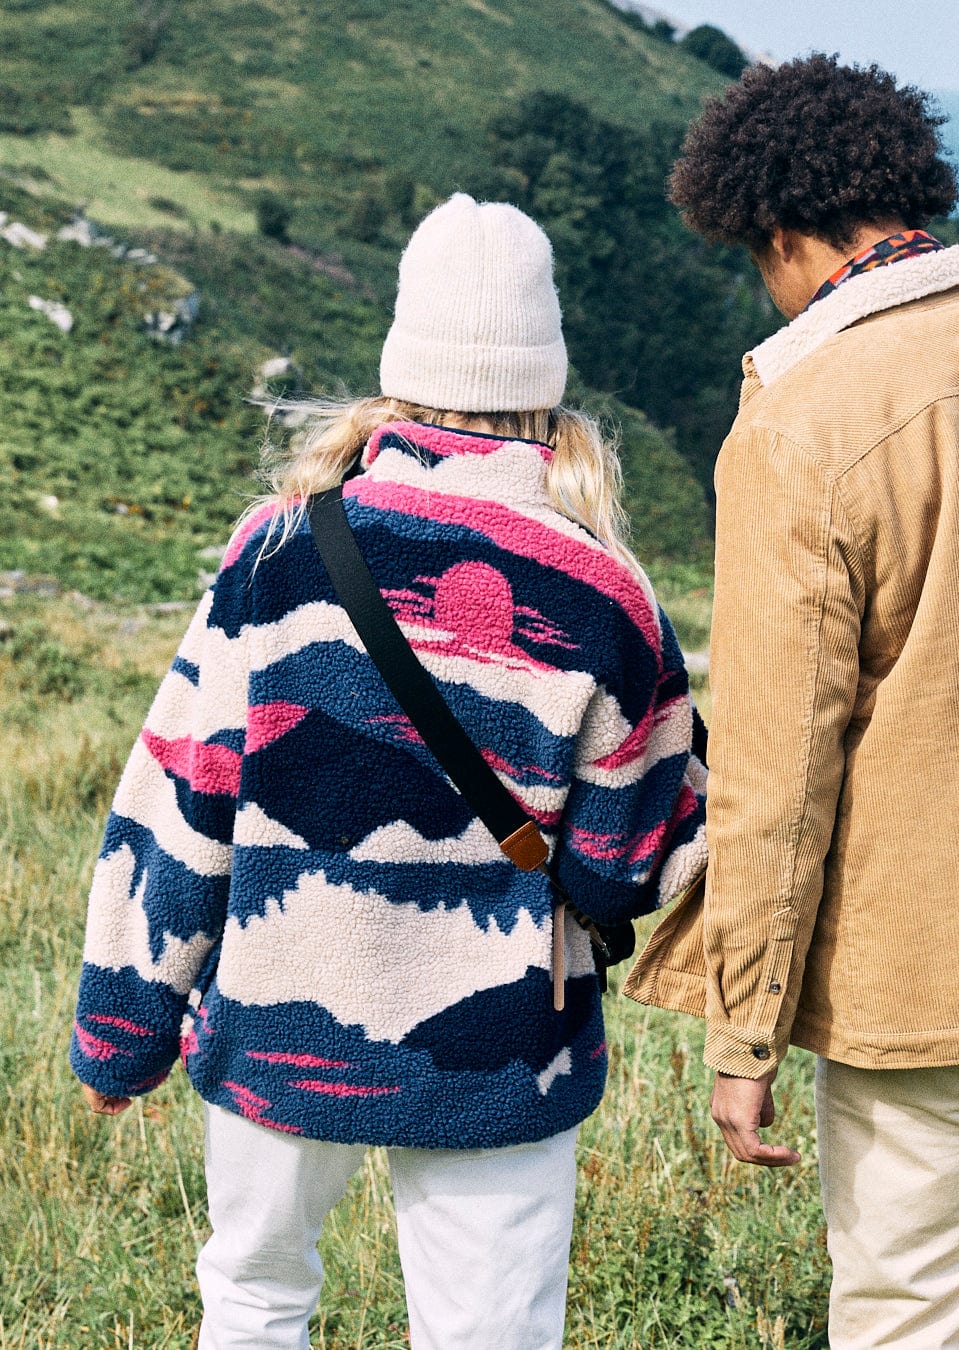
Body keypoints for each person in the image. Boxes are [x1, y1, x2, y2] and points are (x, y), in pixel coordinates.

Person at [70, 193, 707, 1350]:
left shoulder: (272, 551)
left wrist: (124, 1027)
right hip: (499, 1044)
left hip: (276, 1012)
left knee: (257, 1301)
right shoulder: (606, 593)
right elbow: (623, 873)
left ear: (399, 369)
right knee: (488, 1334)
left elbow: (178, 796)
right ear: (544, 379)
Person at [623, 55, 959, 1348]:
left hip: (932, 960)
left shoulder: (798, 424)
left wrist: (745, 1026)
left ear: (777, 231)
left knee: (914, 1304)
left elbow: (776, 767)